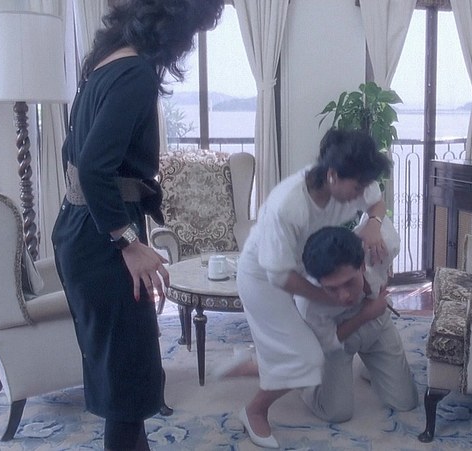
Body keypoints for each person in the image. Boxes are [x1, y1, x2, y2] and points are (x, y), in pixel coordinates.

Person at [52, 1, 224, 450]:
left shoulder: (102, 64)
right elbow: (93, 167)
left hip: (79, 228)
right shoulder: (135, 74)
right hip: (103, 240)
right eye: (193, 31)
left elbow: (75, 158)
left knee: (122, 376)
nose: (189, 44)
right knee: (129, 382)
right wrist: (128, 242)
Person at [235, 128, 391, 448]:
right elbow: (280, 277)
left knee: (300, 347)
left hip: (302, 265)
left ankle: (259, 363)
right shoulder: (288, 205)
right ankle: (254, 411)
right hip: (263, 277)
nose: (362, 192)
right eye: (358, 186)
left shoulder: (351, 181)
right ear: (332, 175)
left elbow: (377, 203)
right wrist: (331, 297)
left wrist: (374, 224)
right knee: (307, 357)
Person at [296, 223, 418, 422]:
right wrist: (366, 314)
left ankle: (371, 367)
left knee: (405, 402)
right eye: (332, 288)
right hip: (338, 342)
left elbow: (379, 215)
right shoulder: (308, 303)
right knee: (337, 413)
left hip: (377, 325)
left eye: (348, 282)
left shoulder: (381, 248)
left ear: (362, 265)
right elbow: (326, 342)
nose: (344, 295)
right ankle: (304, 384)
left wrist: (374, 223)